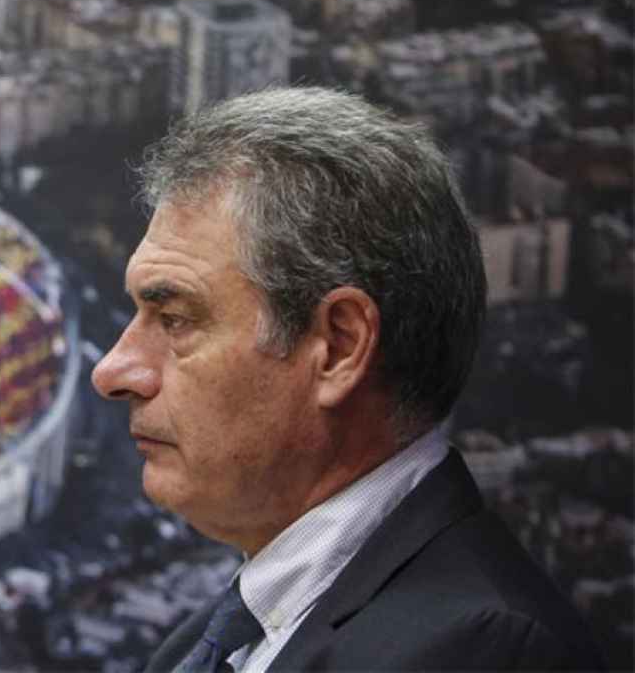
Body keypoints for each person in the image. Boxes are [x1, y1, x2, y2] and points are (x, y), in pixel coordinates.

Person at [90, 87, 602, 672]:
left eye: (175, 319)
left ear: (338, 347)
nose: (112, 370)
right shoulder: (200, 646)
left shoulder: (483, 652)